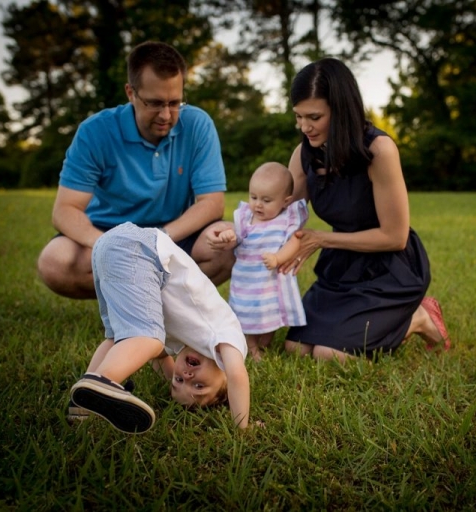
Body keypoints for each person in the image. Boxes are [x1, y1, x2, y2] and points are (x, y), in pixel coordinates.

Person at [278, 57, 452, 363]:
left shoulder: (379, 150)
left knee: (330, 355)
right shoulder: (304, 154)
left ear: (341, 110)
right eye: (298, 116)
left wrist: (322, 239)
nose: (304, 127)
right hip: (341, 268)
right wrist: (239, 231)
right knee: (296, 348)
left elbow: (395, 237)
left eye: (314, 117)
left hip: (389, 270)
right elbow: (282, 217)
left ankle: (418, 317)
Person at [37, 41, 234, 299]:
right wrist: (111, 246)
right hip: (108, 235)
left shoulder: (198, 124)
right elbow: (65, 210)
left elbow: (212, 203)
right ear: (130, 93)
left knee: (230, 242)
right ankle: (136, 301)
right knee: (54, 262)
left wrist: (159, 240)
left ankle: (161, 307)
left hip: (173, 236)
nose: (166, 115)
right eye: (155, 103)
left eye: (174, 102)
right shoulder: (95, 131)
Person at [69, 222, 250, 432]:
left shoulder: (185, 338)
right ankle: (103, 382)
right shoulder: (226, 336)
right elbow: (237, 375)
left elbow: (161, 358)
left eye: (178, 380)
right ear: (224, 377)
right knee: (149, 340)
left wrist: (171, 376)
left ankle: (81, 407)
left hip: (109, 247)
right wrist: (243, 427)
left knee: (118, 339)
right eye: (199, 386)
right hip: (142, 250)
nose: (187, 377)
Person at [217, 162, 309, 361]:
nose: (258, 204)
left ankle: (265, 344)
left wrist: (278, 258)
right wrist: (228, 236)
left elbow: (294, 242)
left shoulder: (285, 221)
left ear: (285, 202)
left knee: (270, 316)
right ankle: (251, 346)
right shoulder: (246, 218)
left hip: (270, 283)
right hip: (247, 281)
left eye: (266, 200)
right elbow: (237, 237)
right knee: (248, 314)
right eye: (254, 197)